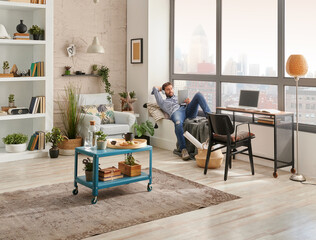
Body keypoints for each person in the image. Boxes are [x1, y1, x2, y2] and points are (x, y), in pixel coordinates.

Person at [151, 82, 211, 160]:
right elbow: (154, 89)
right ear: (164, 91)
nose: (170, 91)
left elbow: (188, 104)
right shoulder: (162, 102)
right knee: (178, 123)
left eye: (171, 88)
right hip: (177, 113)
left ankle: (210, 117)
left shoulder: (178, 97)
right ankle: (183, 149)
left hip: (187, 109)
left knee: (198, 95)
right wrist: (161, 88)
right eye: (168, 89)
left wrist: (188, 103)